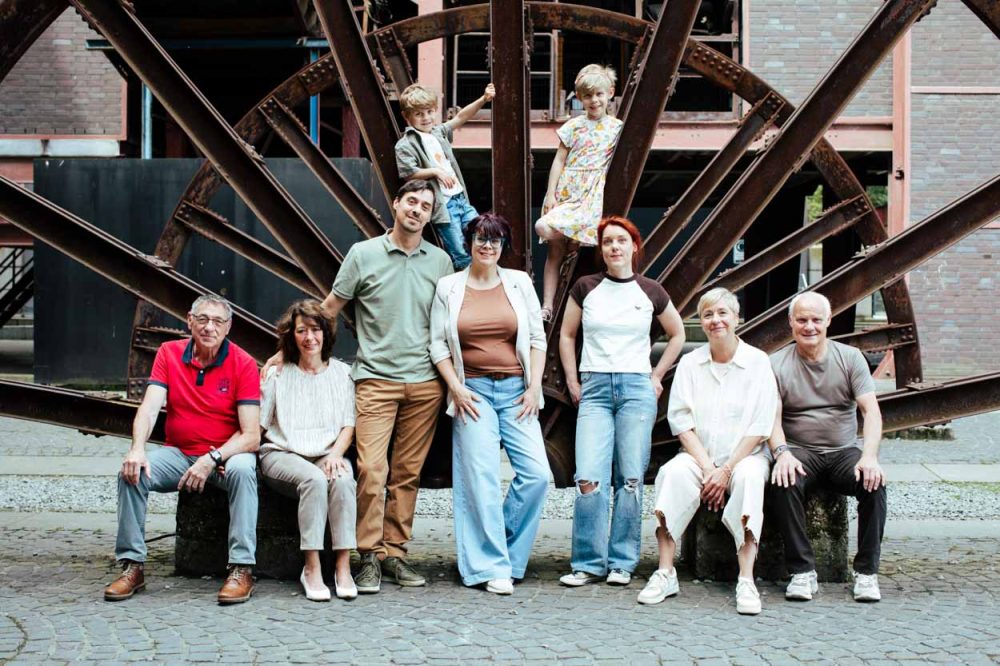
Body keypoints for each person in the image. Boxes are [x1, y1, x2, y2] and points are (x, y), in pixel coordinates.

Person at [262, 179, 452, 594]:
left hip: (425, 382)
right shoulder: (363, 255)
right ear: (396, 204)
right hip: (374, 381)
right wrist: (284, 351)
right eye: (411, 202)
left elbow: (449, 324)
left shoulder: (439, 262)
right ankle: (367, 556)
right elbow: (329, 309)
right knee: (370, 470)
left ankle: (395, 554)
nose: (417, 210)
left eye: (426, 206)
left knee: (407, 473)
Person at [105, 295, 261, 604]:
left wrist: (213, 457)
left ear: (228, 327)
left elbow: (251, 436)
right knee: (132, 473)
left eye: (217, 321)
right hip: (178, 453)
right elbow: (149, 408)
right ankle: (132, 565)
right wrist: (136, 449)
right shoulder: (169, 353)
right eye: (202, 319)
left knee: (244, 470)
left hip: (223, 457)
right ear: (189, 320)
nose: (209, 327)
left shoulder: (242, 363)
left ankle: (242, 569)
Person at [558, 216, 685, 589]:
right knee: (588, 478)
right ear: (602, 250)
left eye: (621, 241)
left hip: (635, 390)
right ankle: (587, 563)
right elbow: (567, 336)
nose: (614, 247)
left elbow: (677, 334)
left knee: (630, 479)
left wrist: (656, 376)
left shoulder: (650, 291)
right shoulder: (587, 287)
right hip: (594, 389)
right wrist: (572, 379)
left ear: (633, 246)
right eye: (608, 242)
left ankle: (622, 563)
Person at [429, 213, 551, 595]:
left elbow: (536, 338)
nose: (488, 245)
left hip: (517, 390)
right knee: (479, 479)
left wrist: (533, 388)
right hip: (473, 393)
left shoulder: (518, 283)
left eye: (495, 240)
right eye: (481, 238)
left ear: (503, 246)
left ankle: (505, 557)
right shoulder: (449, 286)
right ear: (469, 243)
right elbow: (436, 344)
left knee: (537, 475)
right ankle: (490, 566)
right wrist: (456, 388)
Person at [638, 287, 778, 615]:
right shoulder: (690, 363)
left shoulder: (757, 362)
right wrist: (708, 468)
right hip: (700, 456)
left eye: (722, 313)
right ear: (701, 322)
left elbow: (761, 424)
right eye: (708, 315)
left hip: (746, 457)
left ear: (736, 318)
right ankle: (666, 571)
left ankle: (746, 578)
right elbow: (681, 421)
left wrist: (726, 469)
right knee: (671, 474)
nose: (716, 321)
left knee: (749, 481)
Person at [769, 291, 887, 603]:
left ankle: (866, 573)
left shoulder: (849, 358)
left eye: (816, 320)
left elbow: (871, 412)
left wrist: (870, 457)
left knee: (874, 484)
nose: (809, 326)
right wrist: (781, 454)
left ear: (828, 322)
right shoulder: (776, 364)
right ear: (791, 323)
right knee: (783, 481)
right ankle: (802, 572)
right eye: (802, 320)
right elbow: (771, 419)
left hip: (843, 451)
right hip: (799, 450)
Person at [259, 300, 358, 601]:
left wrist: (335, 455)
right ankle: (311, 567)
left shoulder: (343, 374)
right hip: (282, 454)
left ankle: (343, 565)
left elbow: (348, 424)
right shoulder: (277, 373)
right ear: (292, 336)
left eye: (315, 330)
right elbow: (261, 425)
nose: (309, 337)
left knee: (342, 480)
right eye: (301, 331)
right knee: (314, 481)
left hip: (328, 453)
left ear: (326, 334)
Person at [535, 64, 623, 321]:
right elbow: (559, 161)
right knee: (545, 232)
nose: (594, 100)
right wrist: (551, 194)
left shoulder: (617, 128)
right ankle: (547, 305)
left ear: (610, 93)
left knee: (576, 241)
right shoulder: (573, 126)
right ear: (580, 98)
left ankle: (573, 246)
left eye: (599, 94)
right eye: (587, 96)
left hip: (592, 193)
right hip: (567, 190)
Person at [396, 81, 495, 270]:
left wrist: (483, 99)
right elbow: (409, 174)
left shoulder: (438, 132)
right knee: (459, 251)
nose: (426, 118)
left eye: (429, 112)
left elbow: (460, 117)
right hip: (445, 207)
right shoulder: (405, 144)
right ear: (406, 116)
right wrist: (435, 171)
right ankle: (468, 289)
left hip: (460, 200)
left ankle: (485, 277)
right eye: (418, 114)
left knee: (483, 233)